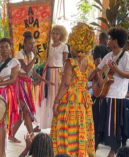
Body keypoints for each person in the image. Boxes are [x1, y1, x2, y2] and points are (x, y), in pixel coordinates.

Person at [51, 23, 95, 156]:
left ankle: (66, 153)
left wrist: (56, 100)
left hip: (70, 100)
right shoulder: (88, 61)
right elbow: (89, 78)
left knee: (67, 128)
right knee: (81, 127)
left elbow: (65, 84)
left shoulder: (71, 63)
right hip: (84, 99)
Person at [9, 31, 55, 147]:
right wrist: (35, 57)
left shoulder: (30, 56)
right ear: (24, 44)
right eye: (30, 43)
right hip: (19, 85)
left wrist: (45, 81)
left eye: (33, 43)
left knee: (22, 113)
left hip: (27, 85)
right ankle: (32, 138)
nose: (32, 46)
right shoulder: (20, 54)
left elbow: (32, 72)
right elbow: (25, 67)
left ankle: (11, 134)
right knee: (27, 112)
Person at [90, 27, 129, 157]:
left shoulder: (125, 55)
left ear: (116, 41)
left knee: (113, 126)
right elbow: (99, 70)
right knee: (99, 122)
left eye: (110, 39)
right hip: (103, 94)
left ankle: (112, 151)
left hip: (116, 96)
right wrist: (93, 78)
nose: (108, 41)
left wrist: (117, 70)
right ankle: (93, 149)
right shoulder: (108, 55)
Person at [35, 25, 69, 132]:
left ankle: (57, 123)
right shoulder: (47, 46)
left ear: (61, 35)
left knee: (56, 97)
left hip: (58, 74)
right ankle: (41, 123)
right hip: (47, 73)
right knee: (45, 98)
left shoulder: (64, 47)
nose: (54, 35)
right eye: (53, 33)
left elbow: (65, 62)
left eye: (57, 34)